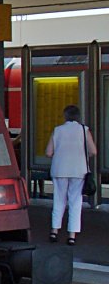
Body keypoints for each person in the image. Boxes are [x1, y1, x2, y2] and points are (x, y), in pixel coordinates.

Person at [45, 104, 97, 245]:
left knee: (59, 200)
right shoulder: (84, 130)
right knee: (75, 201)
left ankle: (54, 231)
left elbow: (49, 152)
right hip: (78, 170)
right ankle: (72, 235)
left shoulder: (58, 130)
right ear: (78, 116)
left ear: (65, 116)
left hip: (60, 169)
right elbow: (93, 151)